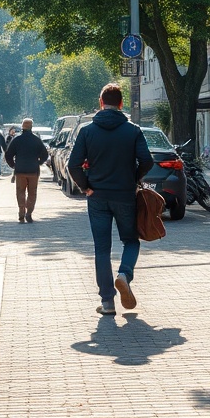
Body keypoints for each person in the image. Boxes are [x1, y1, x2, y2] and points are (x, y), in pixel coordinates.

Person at [69, 83, 154, 315]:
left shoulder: (87, 131)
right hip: (125, 195)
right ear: (121, 103)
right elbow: (147, 160)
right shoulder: (133, 130)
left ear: (101, 103)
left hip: (97, 196)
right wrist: (134, 178)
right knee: (131, 240)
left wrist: (85, 186)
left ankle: (107, 302)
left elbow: (73, 165)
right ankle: (124, 274)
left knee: (101, 249)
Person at [4, 118, 50, 222]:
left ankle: (21, 212)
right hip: (33, 170)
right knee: (32, 193)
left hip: (20, 170)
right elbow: (45, 154)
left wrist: (13, 165)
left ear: (22, 127)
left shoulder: (16, 140)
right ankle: (29, 213)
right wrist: (39, 162)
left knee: (20, 192)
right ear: (31, 127)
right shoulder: (36, 140)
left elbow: (8, 154)